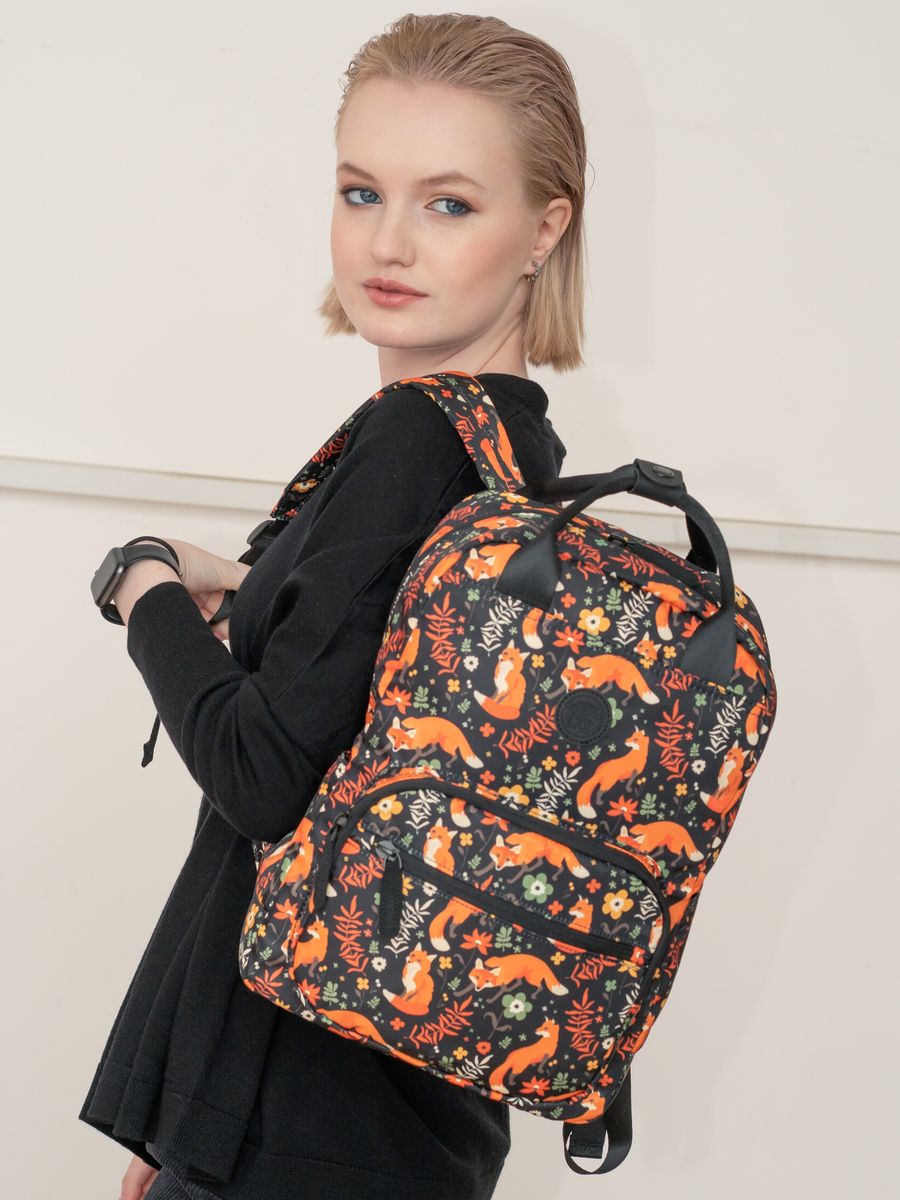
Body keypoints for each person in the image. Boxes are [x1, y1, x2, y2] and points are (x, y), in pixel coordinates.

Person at [79, 12, 589, 1200]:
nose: (388, 241)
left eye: (448, 203)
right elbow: (383, 728)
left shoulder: (416, 440)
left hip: (294, 1122)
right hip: (398, 1117)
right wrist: (258, 595)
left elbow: (264, 776)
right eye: (362, 192)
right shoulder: (517, 452)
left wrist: (141, 583)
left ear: (543, 229)